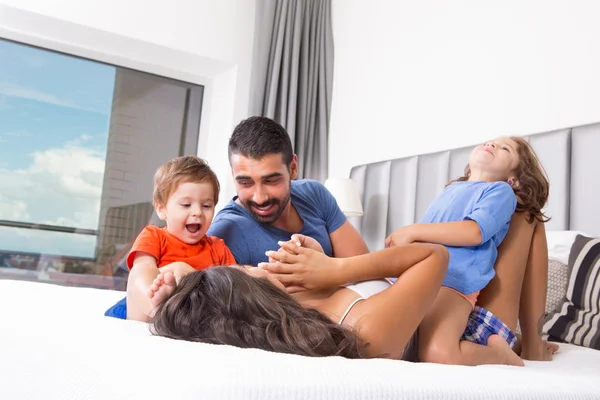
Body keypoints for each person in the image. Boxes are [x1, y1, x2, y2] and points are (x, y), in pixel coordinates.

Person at [264, 137, 558, 364]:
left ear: (514, 179)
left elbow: (473, 231)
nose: (493, 143)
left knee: (528, 213)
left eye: (505, 149)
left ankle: (514, 350)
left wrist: (412, 231)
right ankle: (519, 344)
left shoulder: (502, 192)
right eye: (491, 141)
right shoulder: (452, 190)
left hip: (456, 284)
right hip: (424, 283)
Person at [147, 241, 491, 363]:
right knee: (523, 214)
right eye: (248, 268)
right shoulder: (363, 331)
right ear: (257, 302)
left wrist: (319, 259)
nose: (256, 264)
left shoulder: (296, 300)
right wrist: (335, 268)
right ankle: (513, 350)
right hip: (468, 314)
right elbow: (434, 256)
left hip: (419, 288)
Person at [207, 116, 369, 266]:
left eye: (271, 181)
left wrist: (326, 269)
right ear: (233, 175)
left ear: (293, 168)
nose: (260, 198)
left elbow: (364, 270)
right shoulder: (225, 234)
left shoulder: (314, 194)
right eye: (245, 183)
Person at [104, 156, 236, 321]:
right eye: (186, 205)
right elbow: (142, 269)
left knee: (236, 279)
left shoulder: (217, 248)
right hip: (146, 308)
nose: (197, 212)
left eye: (206, 206)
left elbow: (233, 286)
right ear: (161, 209)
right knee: (141, 273)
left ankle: (173, 309)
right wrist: (173, 273)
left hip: (194, 313)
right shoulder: (154, 236)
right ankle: (158, 306)